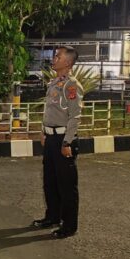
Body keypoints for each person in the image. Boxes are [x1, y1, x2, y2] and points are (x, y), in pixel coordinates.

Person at [33, 46, 83, 238]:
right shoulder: (54, 83)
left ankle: (69, 226)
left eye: (58, 56)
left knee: (66, 186)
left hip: (63, 140)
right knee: (50, 182)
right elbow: (50, 111)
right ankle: (52, 217)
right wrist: (43, 131)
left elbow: (75, 117)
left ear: (68, 62)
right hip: (50, 138)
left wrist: (67, 143)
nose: (54, 59)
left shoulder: (72, 85)